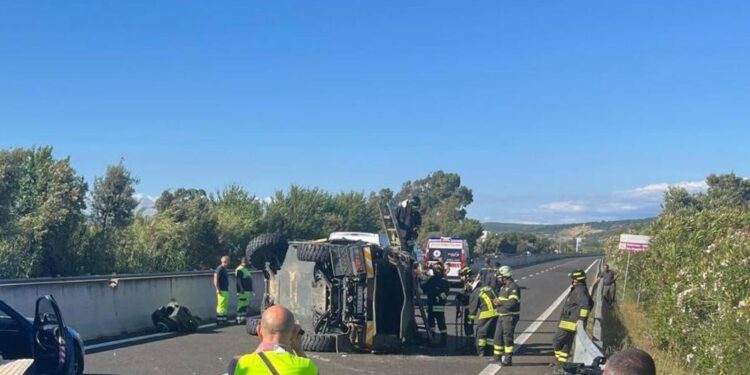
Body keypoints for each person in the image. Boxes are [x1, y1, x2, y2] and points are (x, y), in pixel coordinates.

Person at [230, 305, 318, 375]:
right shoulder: (305, 366)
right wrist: (299, 350)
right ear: (294, 333)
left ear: (258, 331)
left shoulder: (243, 363)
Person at [552, 269, 594, 370]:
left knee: (557, 341)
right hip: (568, 322)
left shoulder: (580, 290)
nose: (571, 280)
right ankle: (560, 366)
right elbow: (591, 303)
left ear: (576, 279)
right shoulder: (578, 288)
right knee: (566, 345)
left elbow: (586, 305)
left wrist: (581, 319)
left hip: (569, 323)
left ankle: (559, 364)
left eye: (572, 278)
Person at [492, 266, 520, 366]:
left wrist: (500, 302)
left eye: (500, 277)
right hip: (502, 315)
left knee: (507, 337)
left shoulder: (513, 287)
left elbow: (512, 303)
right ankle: (497, 358)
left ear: (506, 276)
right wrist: (497, 302)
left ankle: (508, 359)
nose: (499, 279)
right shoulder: (503, 287)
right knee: (497, 337)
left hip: (509, 316)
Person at [421, 262, 450, 347]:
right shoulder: (435, 280)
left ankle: (441, 340)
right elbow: (424, 289)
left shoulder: (441, 281)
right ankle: (434, 338)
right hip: (433, 306)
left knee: (438, 323)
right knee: (433, 324)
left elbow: (445, 292)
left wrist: (438, 298)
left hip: (435, 305)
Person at [469, 280, 499, 356]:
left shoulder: (476, 292)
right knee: (491, 334)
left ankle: (480, 352)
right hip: (496, 313)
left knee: (481, 334)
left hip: (486, 315)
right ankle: (490, 351)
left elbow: (473, 307)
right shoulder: (489, 288)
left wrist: (470, 320)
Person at [456, 266, 476, 339]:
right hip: (469, 307)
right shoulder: (469, 282)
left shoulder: (470, 283)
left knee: (468, 325)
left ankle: (470, 344)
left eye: (462, 276)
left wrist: (461, 296)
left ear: (466, 274)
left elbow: (469, 294)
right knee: (467, 325)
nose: (460, 278)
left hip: (470, 308)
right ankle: (469, 342)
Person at [235, 257, 254, 324]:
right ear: (243, 261)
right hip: (243, 290)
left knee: (244, 304)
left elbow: (249, 280)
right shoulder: (240, 269)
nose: (247, 263)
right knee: (241, 304)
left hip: (247, 290)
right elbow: (238, 280)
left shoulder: (245, 269)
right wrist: (241, 288)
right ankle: (239, 319)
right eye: (246, 261)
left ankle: (243, 318)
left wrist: (252, 289)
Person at [214, 255, 230, 324]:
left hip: (225, 290)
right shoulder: (219, 268)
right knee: (221, 305)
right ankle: (219, 320)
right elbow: (215, 278)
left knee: (224, 305)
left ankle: (223, 319)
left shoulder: (224, 269)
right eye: (228, 261)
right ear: (225, 261)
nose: (229, 263)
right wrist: (217, 288)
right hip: (221, 290)